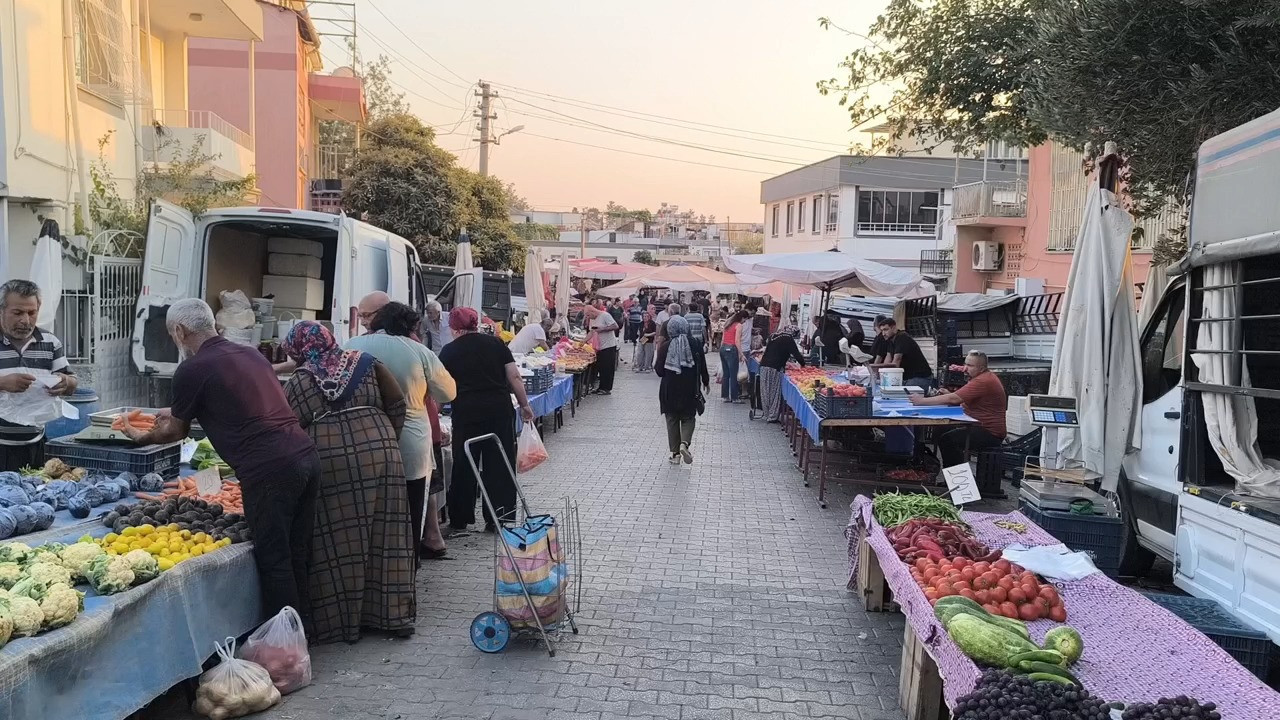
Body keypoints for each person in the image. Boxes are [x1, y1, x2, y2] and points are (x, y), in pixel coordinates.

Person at [121, 299, 320, 620]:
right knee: (297, 554)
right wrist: (174, 413)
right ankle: (305, 636)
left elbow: (176, 431)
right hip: (305, 457)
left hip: (268, 470)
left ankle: (286, 651)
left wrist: (144, 436)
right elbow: (231, 399)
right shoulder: (251, 354)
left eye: (173, 336)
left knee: (274, 561)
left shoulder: (192, 368)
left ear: (180, 331)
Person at [280, 321, 414, 643]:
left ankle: (340, 624)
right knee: (388, 533)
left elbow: (288, 428)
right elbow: (397, 403)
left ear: (298, 348)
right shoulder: (367, 362)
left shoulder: (298, 381)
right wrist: (384, 439)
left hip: (330, 463)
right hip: (381, 454)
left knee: (338, 543)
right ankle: (394, 616)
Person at [348, 301, 458, 562]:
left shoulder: (352, 345)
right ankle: (406, 570)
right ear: (410, 326)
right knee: (410, 510)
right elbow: (448, 392)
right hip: (409, 445)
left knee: (366, 510)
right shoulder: (418, 351)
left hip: (361, 440)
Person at [438, 307, 534, 533]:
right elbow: (514, 376)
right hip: (498, 411)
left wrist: (435, 415)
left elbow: (442, 388)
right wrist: (525, 405)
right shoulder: (496, 344)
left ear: (454, 328)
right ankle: (499, 518)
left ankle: (460, 519)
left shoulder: (449, 351)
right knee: (499, 462)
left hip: (467, 413)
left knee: (464, 463)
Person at [0, 280, 79, 470]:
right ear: (1, 310)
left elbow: (72, 382)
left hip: (36, 445)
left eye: (31, 313)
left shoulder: (50, 342)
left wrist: (65, 382)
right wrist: (2, 383)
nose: (25, 320)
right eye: (17, 313)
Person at [910, 351, 1007, 466]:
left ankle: (957, 479)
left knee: (948, 440)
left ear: (981, 368)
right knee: (940, 429)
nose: (965, 368)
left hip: (989, 432)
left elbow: (954, 399)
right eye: (965, 364)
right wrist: (949, 394)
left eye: (970, 366)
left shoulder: (983, 381)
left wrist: (921, 401)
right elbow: (959, 398)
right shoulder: (979, 376)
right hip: (976, 424)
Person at [654, 315, 709, 465]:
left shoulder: (666, 346)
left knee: (672, 419)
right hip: (690, 388)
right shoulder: (695, 344)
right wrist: (706, 381)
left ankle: (676, 454)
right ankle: (684, 443)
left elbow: (659, 371)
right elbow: (702, 365)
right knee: (688, 418)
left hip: (669, 389)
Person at [869, 317, 934, 388]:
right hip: (908, 378)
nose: (883, 333)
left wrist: (879, 372)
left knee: (903, 392)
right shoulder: (891, 340)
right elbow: (887, 361)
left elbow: (896, 363)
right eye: (882, 331)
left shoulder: (902, 337)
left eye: (886, 330)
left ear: (894, 328)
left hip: (921, 378)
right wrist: (877, 373)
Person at [760, 326, 806, 423]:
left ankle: (767, 413)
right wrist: (803, 365)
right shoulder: (788, 339)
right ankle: (772, 416)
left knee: (765, 391)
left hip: (764, 366)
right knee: (774, 391)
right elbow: (796, 354)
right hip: (774, 367)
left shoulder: (774, 336)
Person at [585, 304, 620, 395]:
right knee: (601, 368)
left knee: (607, 368)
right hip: (599, 346)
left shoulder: (605, 315)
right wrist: (583, 341)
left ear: (593, 311)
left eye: (588, 315)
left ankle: (606, 388)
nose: (588, 317)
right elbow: (591, 332)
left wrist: (603, 329)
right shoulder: (593, 320)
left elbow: (615, 326)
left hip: (609, 345)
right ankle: (601, 387)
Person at [720, 310, 748, 402]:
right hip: (732, 350)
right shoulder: (738, 325)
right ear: (743, 318)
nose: (744, 322)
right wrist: (741, 354)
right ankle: (735, 397)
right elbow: (737, 341)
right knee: (733, 375)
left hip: (723, 348)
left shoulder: (728, 323)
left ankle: (725, 396)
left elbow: (723, 338)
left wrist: (721, 349)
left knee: (726, 374)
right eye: (745, 320)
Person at [634, 306, 657, 372]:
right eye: (644, 316)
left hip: (649, 339)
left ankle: (647, 367)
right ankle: (640, 366)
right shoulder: (641, 323)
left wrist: (649, 334)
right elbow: (639, 331)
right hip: (642, 339)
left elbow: (655, 332)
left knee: (648, 354)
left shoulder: (652, 323)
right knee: (640, 353)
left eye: (646, 316)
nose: (645, 318)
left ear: (649, 317)